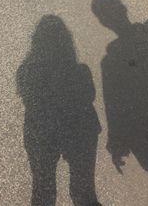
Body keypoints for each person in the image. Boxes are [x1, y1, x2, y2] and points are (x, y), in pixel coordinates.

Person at [92, 0, 148, 206]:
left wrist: (116, 140)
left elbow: (113, 101)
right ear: (124, 7)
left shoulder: (111, 59)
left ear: (103, 22)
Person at [17, 15, 102, 206]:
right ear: (68, 44)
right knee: (84, 192)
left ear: (35, 43)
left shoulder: (25, 71)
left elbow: (27, 98)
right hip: (80, 130)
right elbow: (89, 96)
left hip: (42, 133)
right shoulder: (81, 72)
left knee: (43, 191)